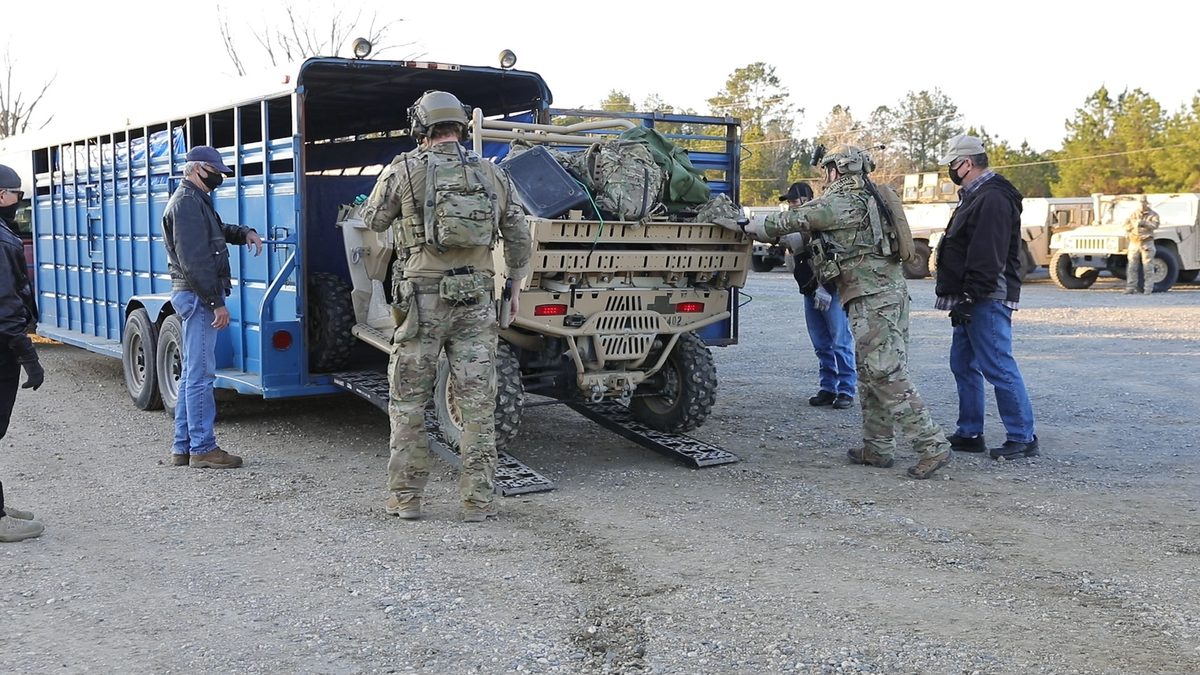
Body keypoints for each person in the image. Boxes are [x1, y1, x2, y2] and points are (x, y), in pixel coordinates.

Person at [361, 91, 532, 523]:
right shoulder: (493, 174)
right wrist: (511, 290)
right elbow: (518, 237)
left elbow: (372, 220)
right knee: (478, 403)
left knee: (408, 403)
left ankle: (406, 499)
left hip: (421, 302)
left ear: (422, 127)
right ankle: (478, 502)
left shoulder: (403, 168)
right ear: (461, 126)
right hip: (476, 300)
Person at [740, 146, 952, 479]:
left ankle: (931, 444)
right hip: (888, 293)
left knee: (884, 370)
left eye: (827, 170)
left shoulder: (841, 201)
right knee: (870, 371)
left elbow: (794, 218)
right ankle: (878, 448)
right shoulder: (871, 196)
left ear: (837, 170)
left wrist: (752, 226)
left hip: (871, 297)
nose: (825, 177)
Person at [933, 134, 1038, 460]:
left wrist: (969, 297)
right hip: (973, 295)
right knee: (962, 363)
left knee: (998, 366)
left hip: (986, 296)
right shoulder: (976, 196)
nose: (950, 170)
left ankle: (1022, 437)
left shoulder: (991, 198)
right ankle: (970, 432)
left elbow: (987, 254)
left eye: (952, 164)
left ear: (965, 164)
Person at [163, 146, 263, 469]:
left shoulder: (194, 199)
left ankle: (183, 446)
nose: (219, 177)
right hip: (197, 295)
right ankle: (203, 448)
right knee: (201, 376)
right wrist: (216, 302)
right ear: (196, 169)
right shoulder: (187, 203)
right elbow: (195, 262)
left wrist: (243, 233)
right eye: (215, 171)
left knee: (192, 373)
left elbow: (215, 233)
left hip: (192, 294)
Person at [780, 181, 856, 410]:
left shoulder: (822, 221)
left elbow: (834, 257)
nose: (791, 206)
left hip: (830, 291)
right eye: (789, 202)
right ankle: (828, 388)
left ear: (806, 200)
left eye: (794, 201)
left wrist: (827, 286)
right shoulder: (796, 224)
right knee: (821, 344)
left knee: (840, 342)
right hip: (810, 291)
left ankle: (846, 390)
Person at [0, 164, 45, 542]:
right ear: (2, 196)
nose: (20, 201)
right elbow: (5, 306)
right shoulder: (2, 240)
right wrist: (29, 358)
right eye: (17, 194)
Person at [1123, 196, 1159, 295]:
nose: (1142, 205)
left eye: (1144, 203)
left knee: (1148, 266)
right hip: (1134, 242)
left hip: (1146, 242)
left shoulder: (1153, 215)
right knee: (1131, 266)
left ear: (1147, 203)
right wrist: (1133, 225)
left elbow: (1155, 225)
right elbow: (1125, 225)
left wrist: (1143, 223)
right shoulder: (1133, 214)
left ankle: (1148, 288)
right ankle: (1130, 287)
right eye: (1140, 203)